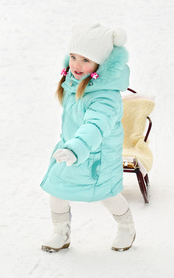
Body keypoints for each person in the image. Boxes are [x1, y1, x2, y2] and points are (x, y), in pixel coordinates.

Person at [40, 23, 136, 252]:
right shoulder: (74, 85)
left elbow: (95, 125)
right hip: (72, 149)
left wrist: (77, 147)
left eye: (85, 59)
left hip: (98, 155)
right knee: (56, 189)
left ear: (100, 64)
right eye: (73, 57)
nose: (76, 65)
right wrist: (71, 146)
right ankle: (61, 232)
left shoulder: (105, 97)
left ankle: (126, 228)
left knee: (108, 194)